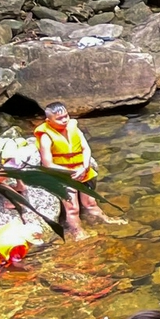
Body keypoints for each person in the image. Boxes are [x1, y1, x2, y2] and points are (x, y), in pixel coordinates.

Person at [34, 102, 114, 238]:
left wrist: (84, 166)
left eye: (66, 116)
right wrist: (70, 172)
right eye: (59, 118)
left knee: (90, 202)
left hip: (81, 170)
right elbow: (48, 164)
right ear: (48, 120)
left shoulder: (73, 127)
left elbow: (85, 148)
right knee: (72, 208)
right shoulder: (46, 136)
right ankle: (77, 231)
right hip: (63, 175)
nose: (64, 120)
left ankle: (105, 219)